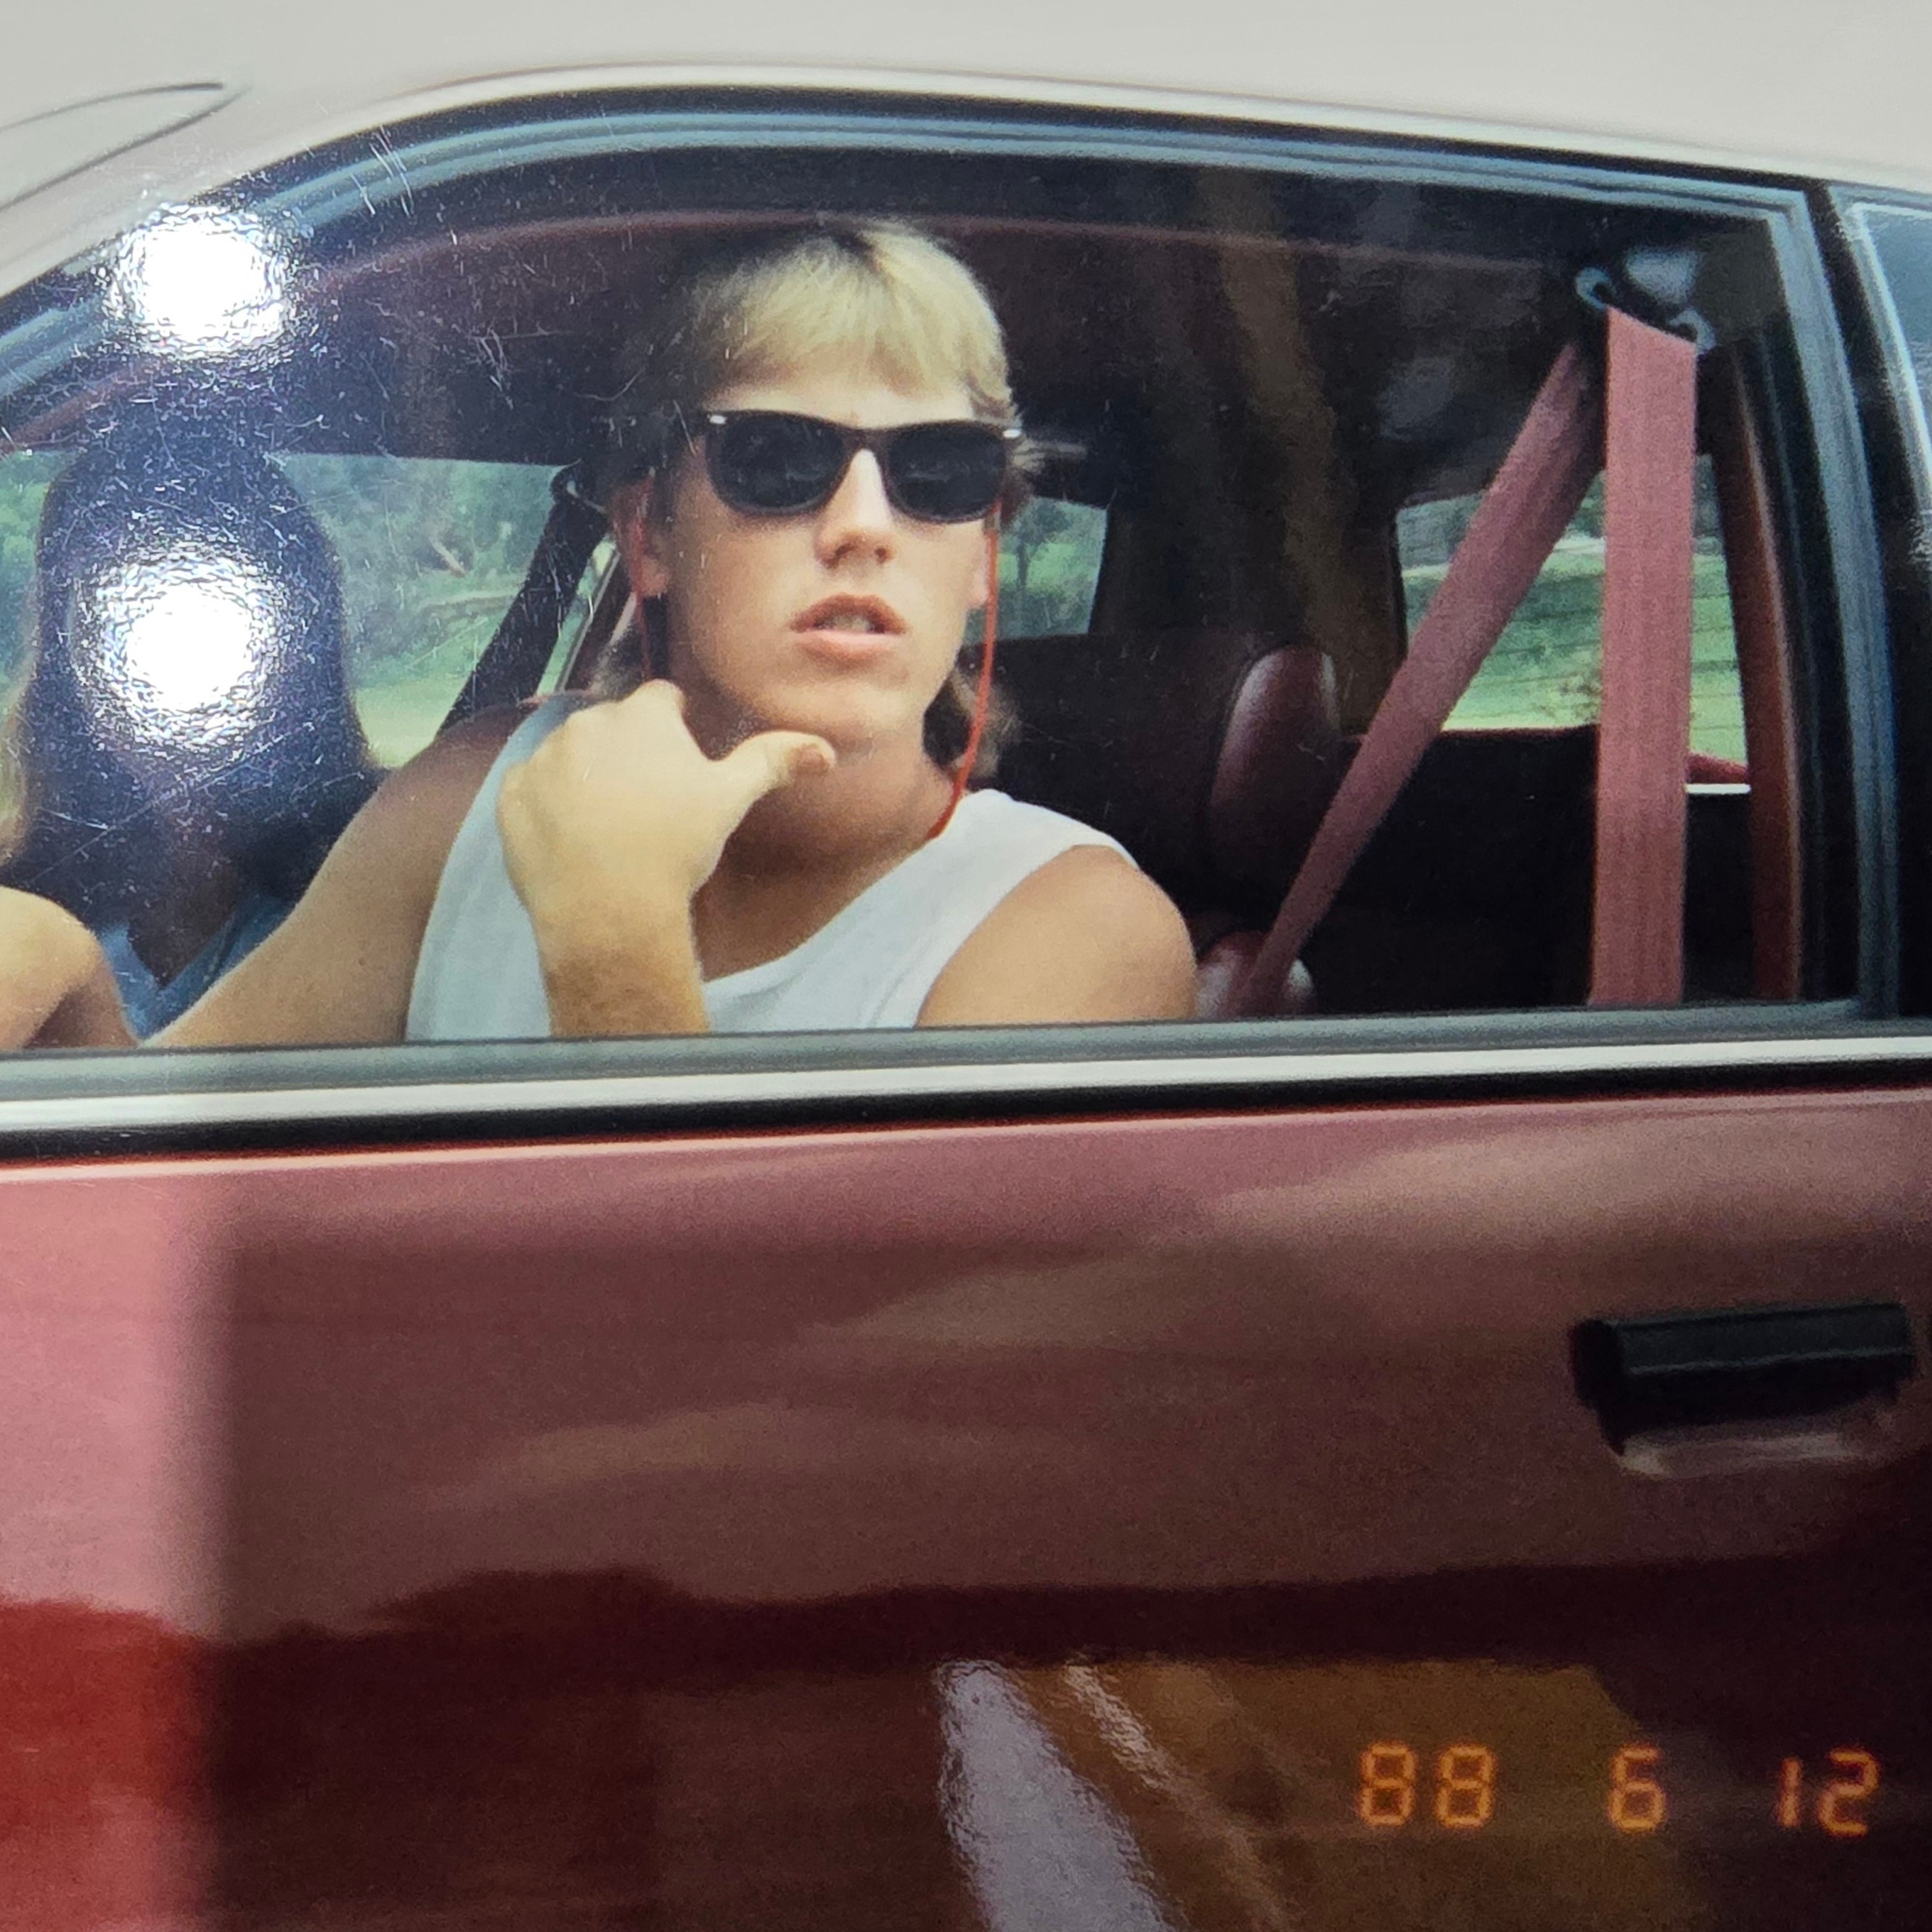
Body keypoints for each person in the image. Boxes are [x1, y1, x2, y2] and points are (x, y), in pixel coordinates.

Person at [0, 223, 1195, 1051]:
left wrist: (614, 927)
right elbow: (180, 1161)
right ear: (649, 532)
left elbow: (797, 1406)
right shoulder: (472, 793)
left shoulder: (1074, 929)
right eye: (775, 458)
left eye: (939, 472)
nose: (862, 527)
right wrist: (67, 996)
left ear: (982, 549)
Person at [0, 428, 374, 1038]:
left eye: (211, 608)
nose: (169, 659)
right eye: (116, 607)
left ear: (296, 638)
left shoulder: (386, 881)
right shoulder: (19, 885)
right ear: (64, 661)